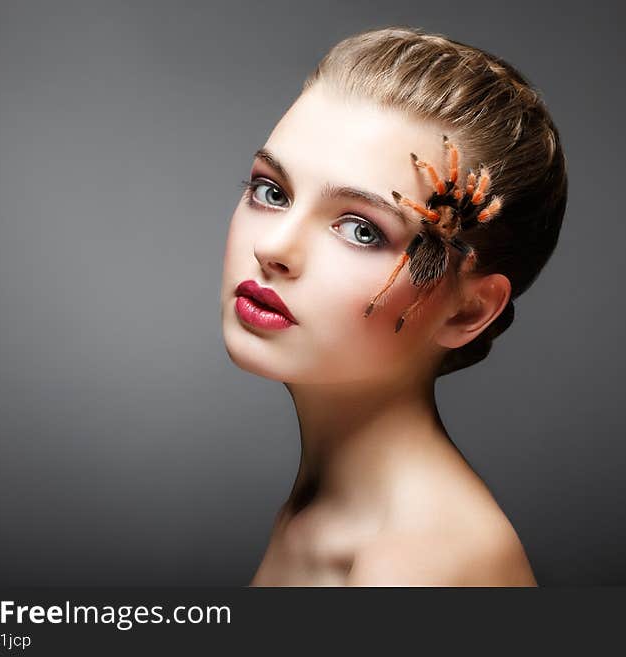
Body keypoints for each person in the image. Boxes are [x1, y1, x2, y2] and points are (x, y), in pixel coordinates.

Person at [221, 26, 567, 586]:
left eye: (360, 229)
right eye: (271, 191)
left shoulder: (425, 565)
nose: (274, 247)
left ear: (467, 311)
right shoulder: (325, 515)